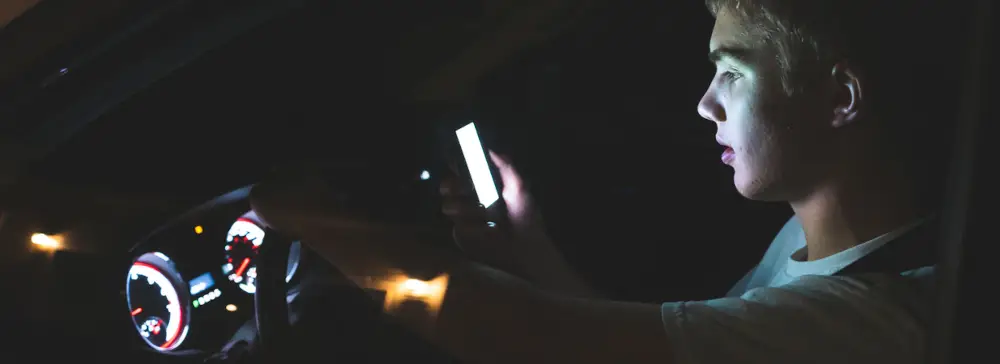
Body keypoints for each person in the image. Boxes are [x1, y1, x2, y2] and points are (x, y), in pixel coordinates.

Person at [251, 1, 946, 363]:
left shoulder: (871, 320)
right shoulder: (811, 241)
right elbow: (633, 349)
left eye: (732, 72)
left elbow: (527, 339)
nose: (706, 103)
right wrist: (528, 245)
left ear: (840, 100)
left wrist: (324, 227)